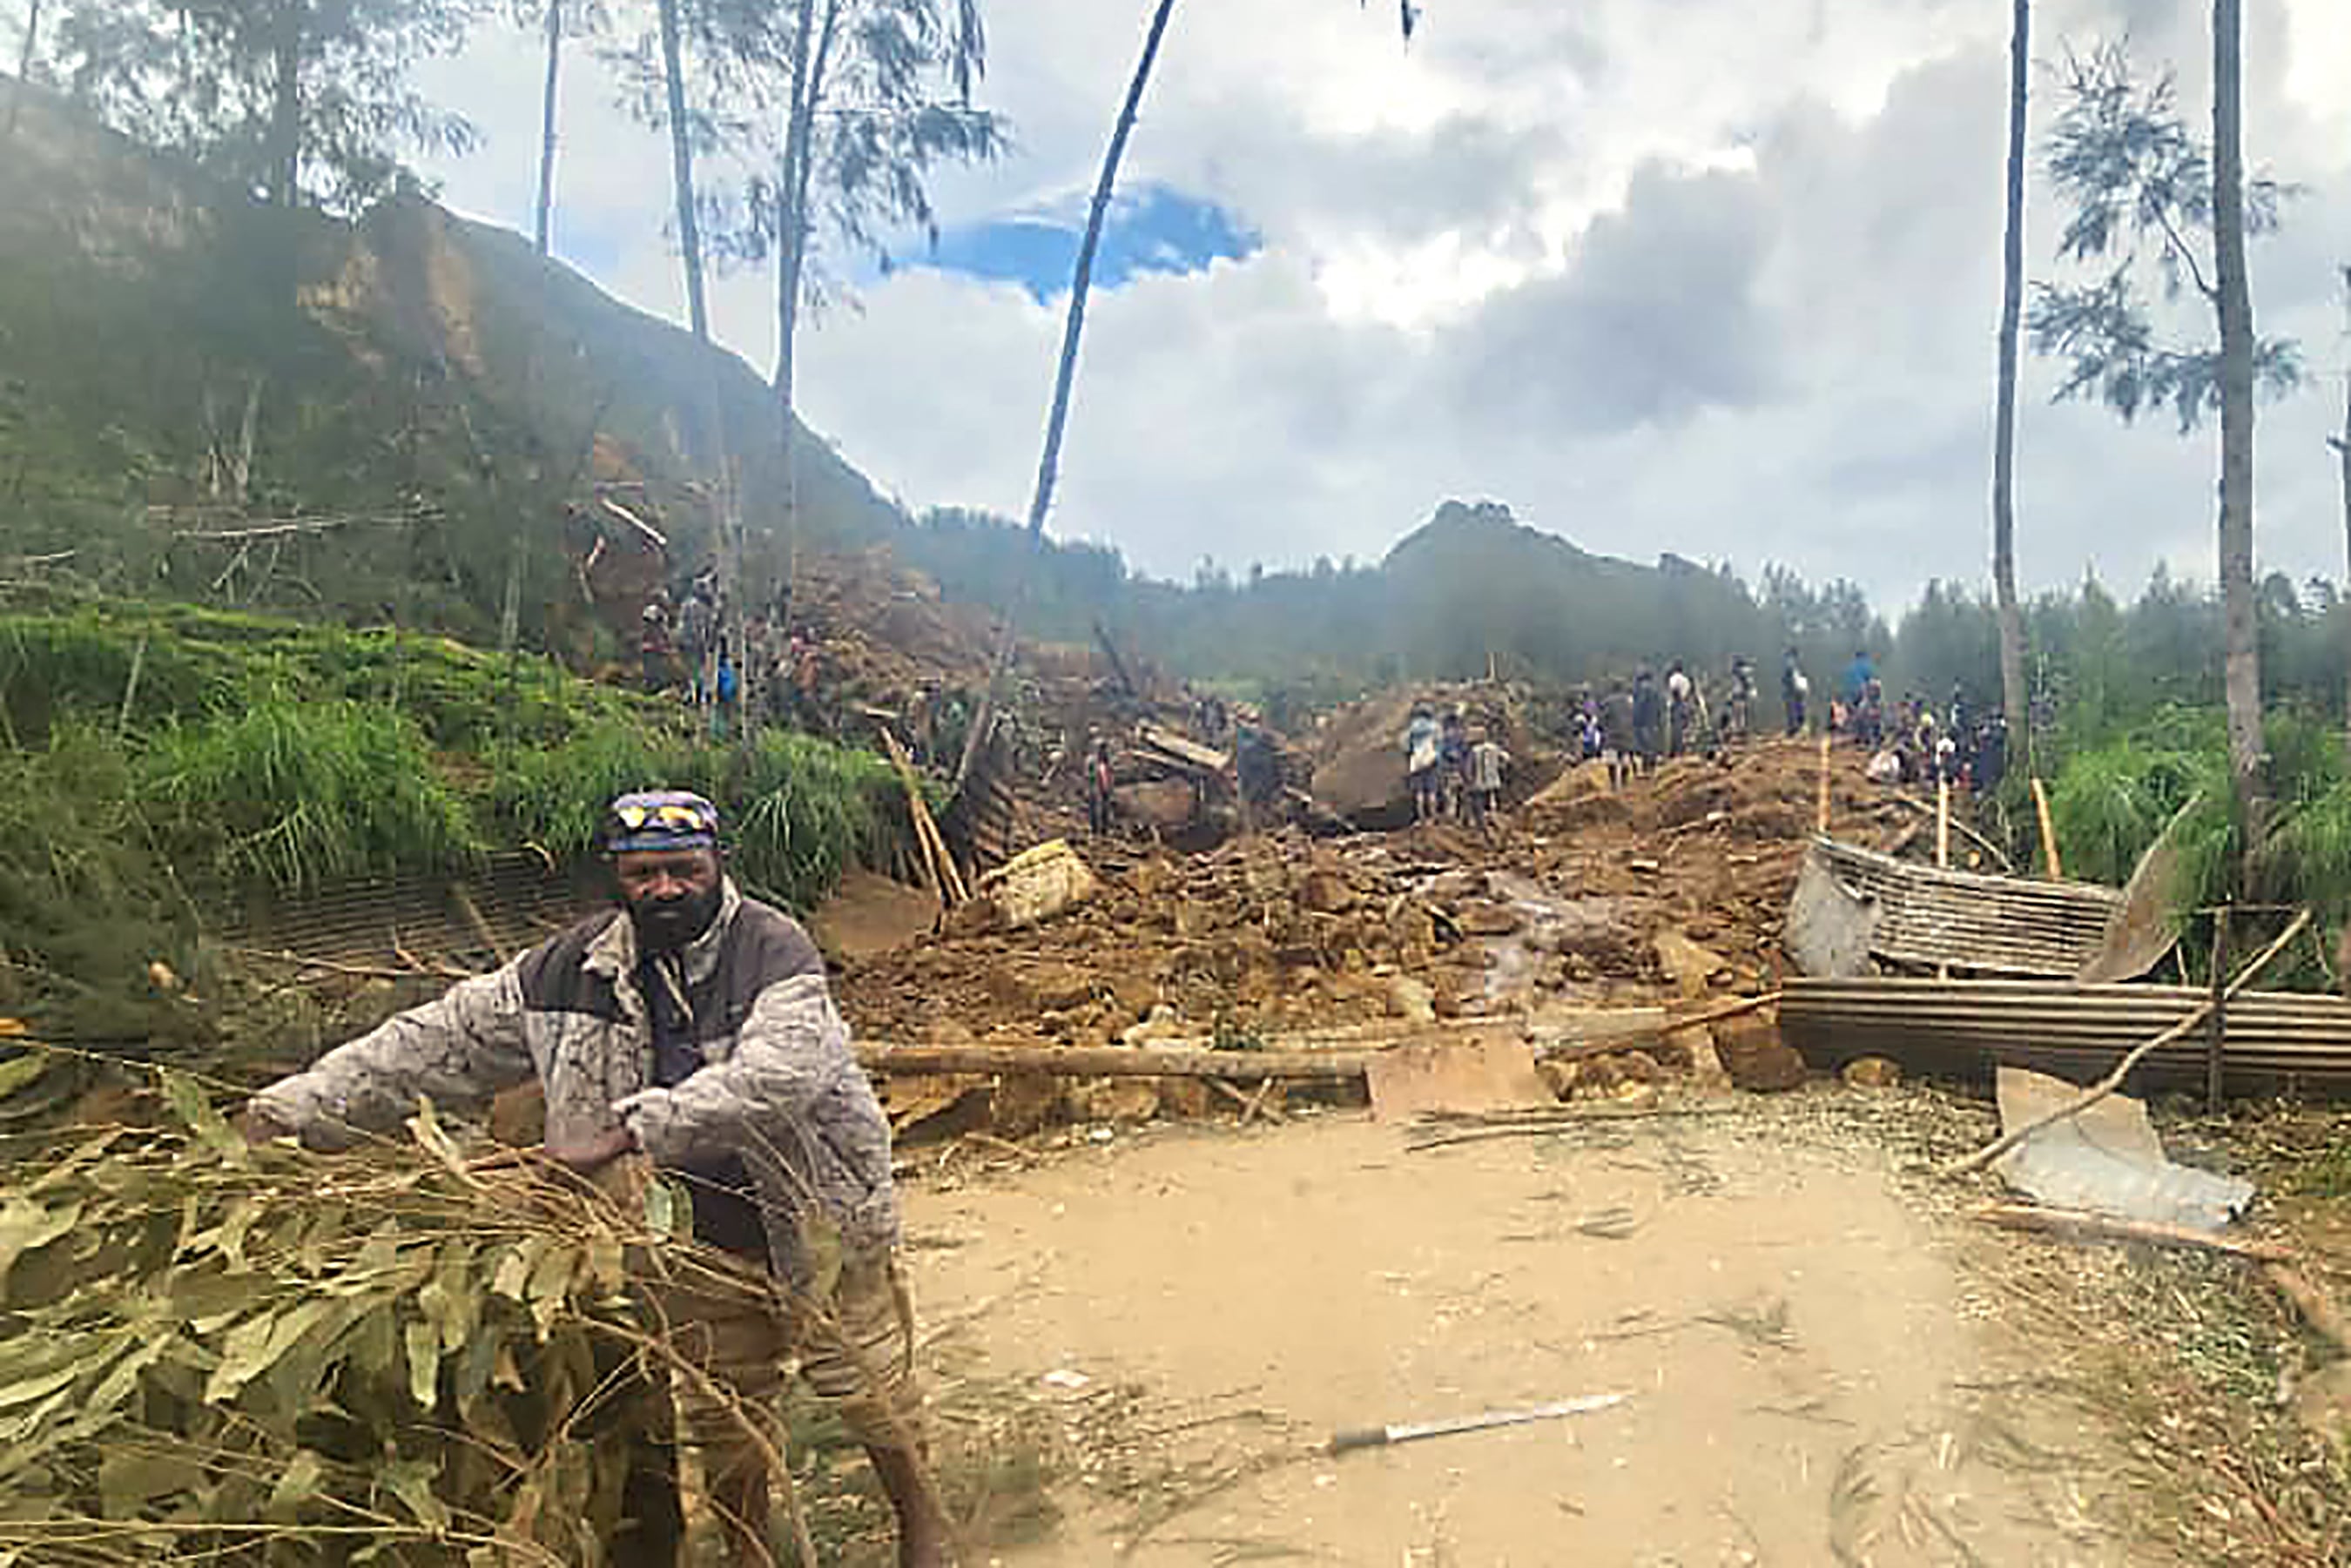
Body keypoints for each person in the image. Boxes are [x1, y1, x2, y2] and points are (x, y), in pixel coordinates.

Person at [232, 792, 946, 1568]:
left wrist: (626, 1130)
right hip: (688, 1238)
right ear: (615, 877)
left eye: (684, 868)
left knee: (868, 1381)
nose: (666, 887)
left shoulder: (772, 949)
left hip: (817, 1216)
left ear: (717, 866)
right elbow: (430, 1043)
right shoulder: (564, 971)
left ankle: (924, 1527)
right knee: (723, 1406)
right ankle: (750, 1552)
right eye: (645, 873)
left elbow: (782, 1074)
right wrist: (290, 1109)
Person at [1466, 726, 1510, 830]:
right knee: (1491, 803)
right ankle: (1494, 822)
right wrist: (1500, 767)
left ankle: (1481, 825)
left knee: (1478, 804)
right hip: (1493, 780)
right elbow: (1506, 758)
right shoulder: (1494, 748)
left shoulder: (1474, 751)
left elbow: (1470, 767)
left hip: (1479, 782)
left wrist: (1469, 781)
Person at [1403, 704, 1441, 823]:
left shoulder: (1411, 729)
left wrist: (1410, 755)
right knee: (1432, 791)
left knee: (1419, 792)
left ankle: (1422, 817)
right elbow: (1439, 742)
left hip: (1416, 762)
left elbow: (1405, 746)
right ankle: (1433, 816)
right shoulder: (1435, 726)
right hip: (1431, 760)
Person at [1438, 708, 1471, 820]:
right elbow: (1466, 752)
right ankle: (1462, 817)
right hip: (1460, 769)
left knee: (1450, 794)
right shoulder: (1461, 737)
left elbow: (1441, 754)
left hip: (1449, 770)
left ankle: (1451, 816)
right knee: (1461, 794)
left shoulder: (1445, 739)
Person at [1631, 670, 1663, 776]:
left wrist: (1635, 721)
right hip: (1653, 722)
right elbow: (1660, 709)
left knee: (1645, 746)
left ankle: (1646, 769)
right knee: (1652, 746)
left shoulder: (1644, 692)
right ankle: (1651, 769)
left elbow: (1639, 708)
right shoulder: (1656, 692)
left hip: (1644, 723)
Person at [1665, 662, 1694, 757]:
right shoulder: (1686, 680)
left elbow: (1674, 690)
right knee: (1683, 729)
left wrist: (1675, 702)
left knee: (1675, 730)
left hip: (1677, 705)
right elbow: (1689, 693)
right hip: (1685, 705)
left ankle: (1675, 750)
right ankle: (1681, 749)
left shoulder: (1674, 678)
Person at [1087, 737, 1115, 835]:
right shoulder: (1091, 761)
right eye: (1101, 748)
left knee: (1106, 809)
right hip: (1095, 789)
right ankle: (1094, 830)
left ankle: (1105, 830)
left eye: (1104, 748)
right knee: (1095, 810)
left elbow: (1111, 776)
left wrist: (1110, 788)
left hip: (1105, 789)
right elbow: (1087, 776)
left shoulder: (1107, 763)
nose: (1103, 751)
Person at [1782, 647, 1809, 737]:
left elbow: (1802, 680)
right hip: (1792, 693)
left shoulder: (1797, 667)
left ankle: (1799, 729)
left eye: (1790, 656)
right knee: (1792, 711)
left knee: (1799, 710)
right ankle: (1793, 729)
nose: (1789, 659)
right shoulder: (1789, 668)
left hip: (1797, 693)